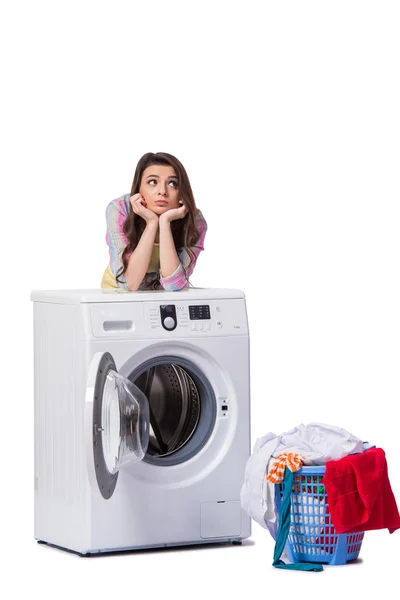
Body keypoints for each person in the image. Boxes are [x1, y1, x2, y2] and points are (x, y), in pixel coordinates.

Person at [101, 152, 208, 291]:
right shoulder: (120, 209)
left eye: (172, 183)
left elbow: (173, 286)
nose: (162, 191)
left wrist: (164, 222)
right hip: (117, 293)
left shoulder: (195, 221)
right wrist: (151, 223)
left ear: (181, 191)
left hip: (161, 296)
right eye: (153, 182)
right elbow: (130, 284)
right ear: (139, 187)